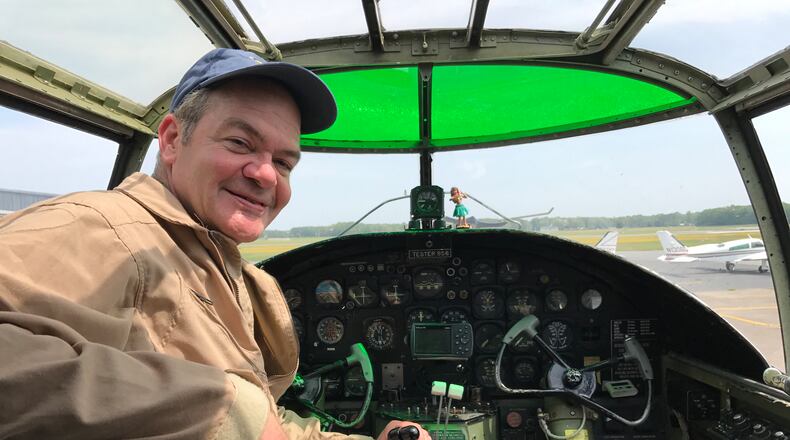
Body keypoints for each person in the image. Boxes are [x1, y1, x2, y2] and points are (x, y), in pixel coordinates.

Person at [0, 48, 429, 440]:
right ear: (171, 140)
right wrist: (225, 410)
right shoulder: (103, 228)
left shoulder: (215, 262)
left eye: (283, 162)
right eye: (240, 143)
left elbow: (266, 426)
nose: (266, 175)